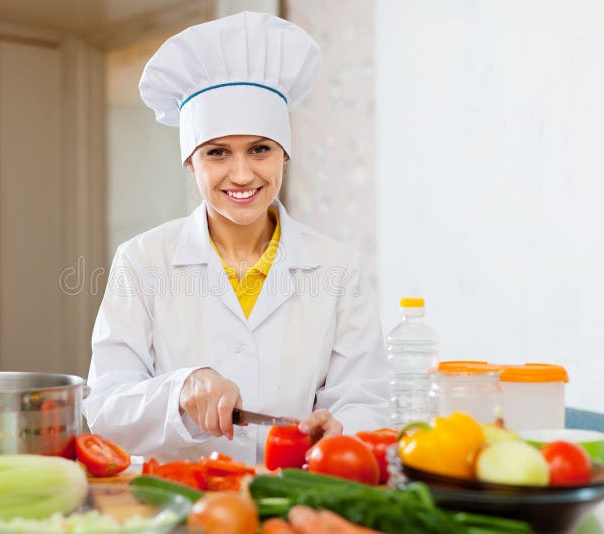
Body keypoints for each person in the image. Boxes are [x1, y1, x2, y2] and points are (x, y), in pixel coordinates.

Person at [84, 11, 388, 464]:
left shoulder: (337, 268)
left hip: (299, 495)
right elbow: (106, 408)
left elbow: (367, 399)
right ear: (191, 161)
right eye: (218, 153)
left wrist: (341, 428)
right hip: (185, 498)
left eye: (260, 149)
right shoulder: (143, 260)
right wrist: (181, 390)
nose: (242, 174)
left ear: (284, 152)